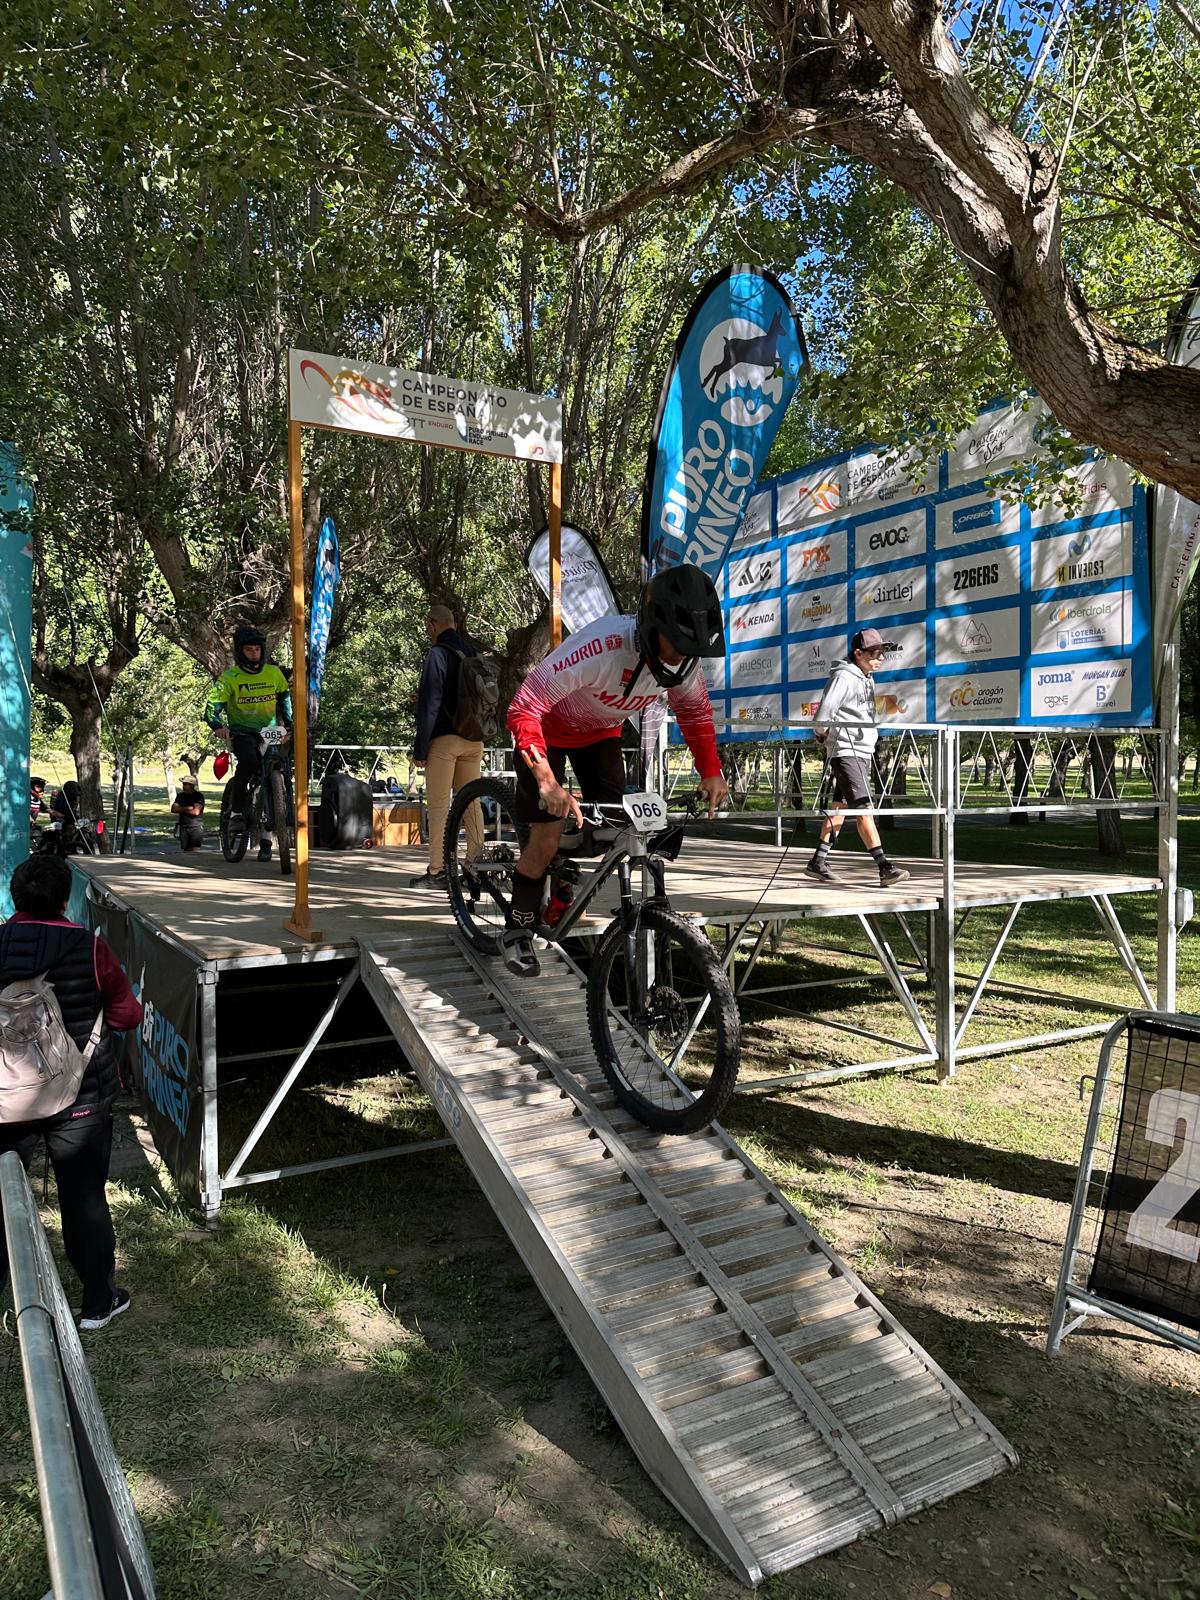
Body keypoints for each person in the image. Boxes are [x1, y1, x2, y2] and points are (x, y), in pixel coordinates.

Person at [502, 563, 730, 977]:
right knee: (546, 835)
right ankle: (517, 929)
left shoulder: (683, 663)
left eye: (689, 650)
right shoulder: (603, 645)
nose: (680, 659)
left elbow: (694, 712)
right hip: (546, 729)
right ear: (650, 626)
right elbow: (523, 706)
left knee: (614, 827)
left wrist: (710, 770)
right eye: (674, 646)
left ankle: (562, 864)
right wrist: (547, 781)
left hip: (598, 734)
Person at [0, 854, 142, 1330]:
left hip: (3, 1102)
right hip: (80, 1099)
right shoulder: (91, 949)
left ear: (15, 897)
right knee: (84, 1200)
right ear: (65, 899)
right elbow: (127, 1016)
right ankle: (98, 1303)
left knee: (0, 1202)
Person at [806, 627, 910, 888]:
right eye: (875, 653)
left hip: (860, 751)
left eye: (883, 652)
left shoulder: (866, 677)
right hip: (846, 751)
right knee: (864, 808)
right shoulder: (844, 677)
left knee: (840, 808)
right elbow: (825, 712)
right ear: (858, 652)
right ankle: (884, 867)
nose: (881, 657)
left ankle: (818, 862)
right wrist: (821, 733)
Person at [409, 604, 485, 892]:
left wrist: (420, 748)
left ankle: (438, 870)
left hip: (445, 741)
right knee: (472, 802)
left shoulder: (437, 654)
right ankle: (474, 865)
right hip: (474, 739)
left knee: (439, 805)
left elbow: (430, 704)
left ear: (432, 624)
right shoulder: (471, 653)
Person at [204, 625, 292, 862]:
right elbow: (211, 709)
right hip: (242, 732)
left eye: (257, 649)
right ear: (240, 652)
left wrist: (291, 726)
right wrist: (218, 727)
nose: (254, 653)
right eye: (248, 649)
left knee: (277, 771)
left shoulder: (274, 674)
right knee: (249, 763)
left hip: (270, 731)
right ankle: (235, 813)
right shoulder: (229, 678)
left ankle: (269, 835)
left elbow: (285, 701)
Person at [171, 775, 205, 852]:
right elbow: (173, 809)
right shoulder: (180, 796)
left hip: (195, 827)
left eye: (186, 784)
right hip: (183, 827)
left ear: (192, 785)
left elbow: (195, 812)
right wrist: (188, 808)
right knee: (185, 851)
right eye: (183, 784)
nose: (183, 786)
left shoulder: (198, 796)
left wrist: (180, 809)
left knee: (194, 851)